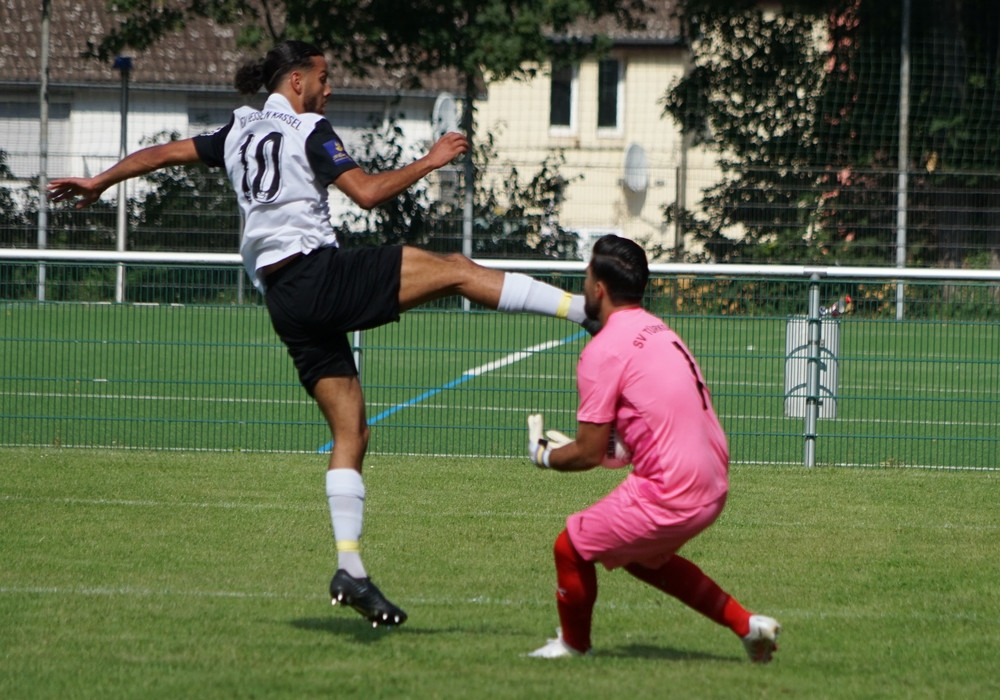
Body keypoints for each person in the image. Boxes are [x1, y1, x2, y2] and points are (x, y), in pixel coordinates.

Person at [48, 39, 593, 629]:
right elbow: (368, 193)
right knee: (457, 270)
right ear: (296, 81)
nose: (329, 89)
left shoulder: (237, 128)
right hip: (316, 275)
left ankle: (350, 568)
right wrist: (432, 160)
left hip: (284, 301)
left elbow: (162, 153)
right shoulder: (308, 129)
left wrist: (100, 182)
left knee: (351, 431)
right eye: (324, 78)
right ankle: (585, 311)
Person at [526, 234, 781, 661]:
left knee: (570, 547)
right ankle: (746, 624)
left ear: (599, 289)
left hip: (673, 487)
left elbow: (589, 454)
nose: (583, 286)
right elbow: (636, 432)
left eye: (586, 277)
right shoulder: (659, 329)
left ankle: (573, 646)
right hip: (713, 480)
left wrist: (544, 456)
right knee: (642, 558)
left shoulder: (603, 351)